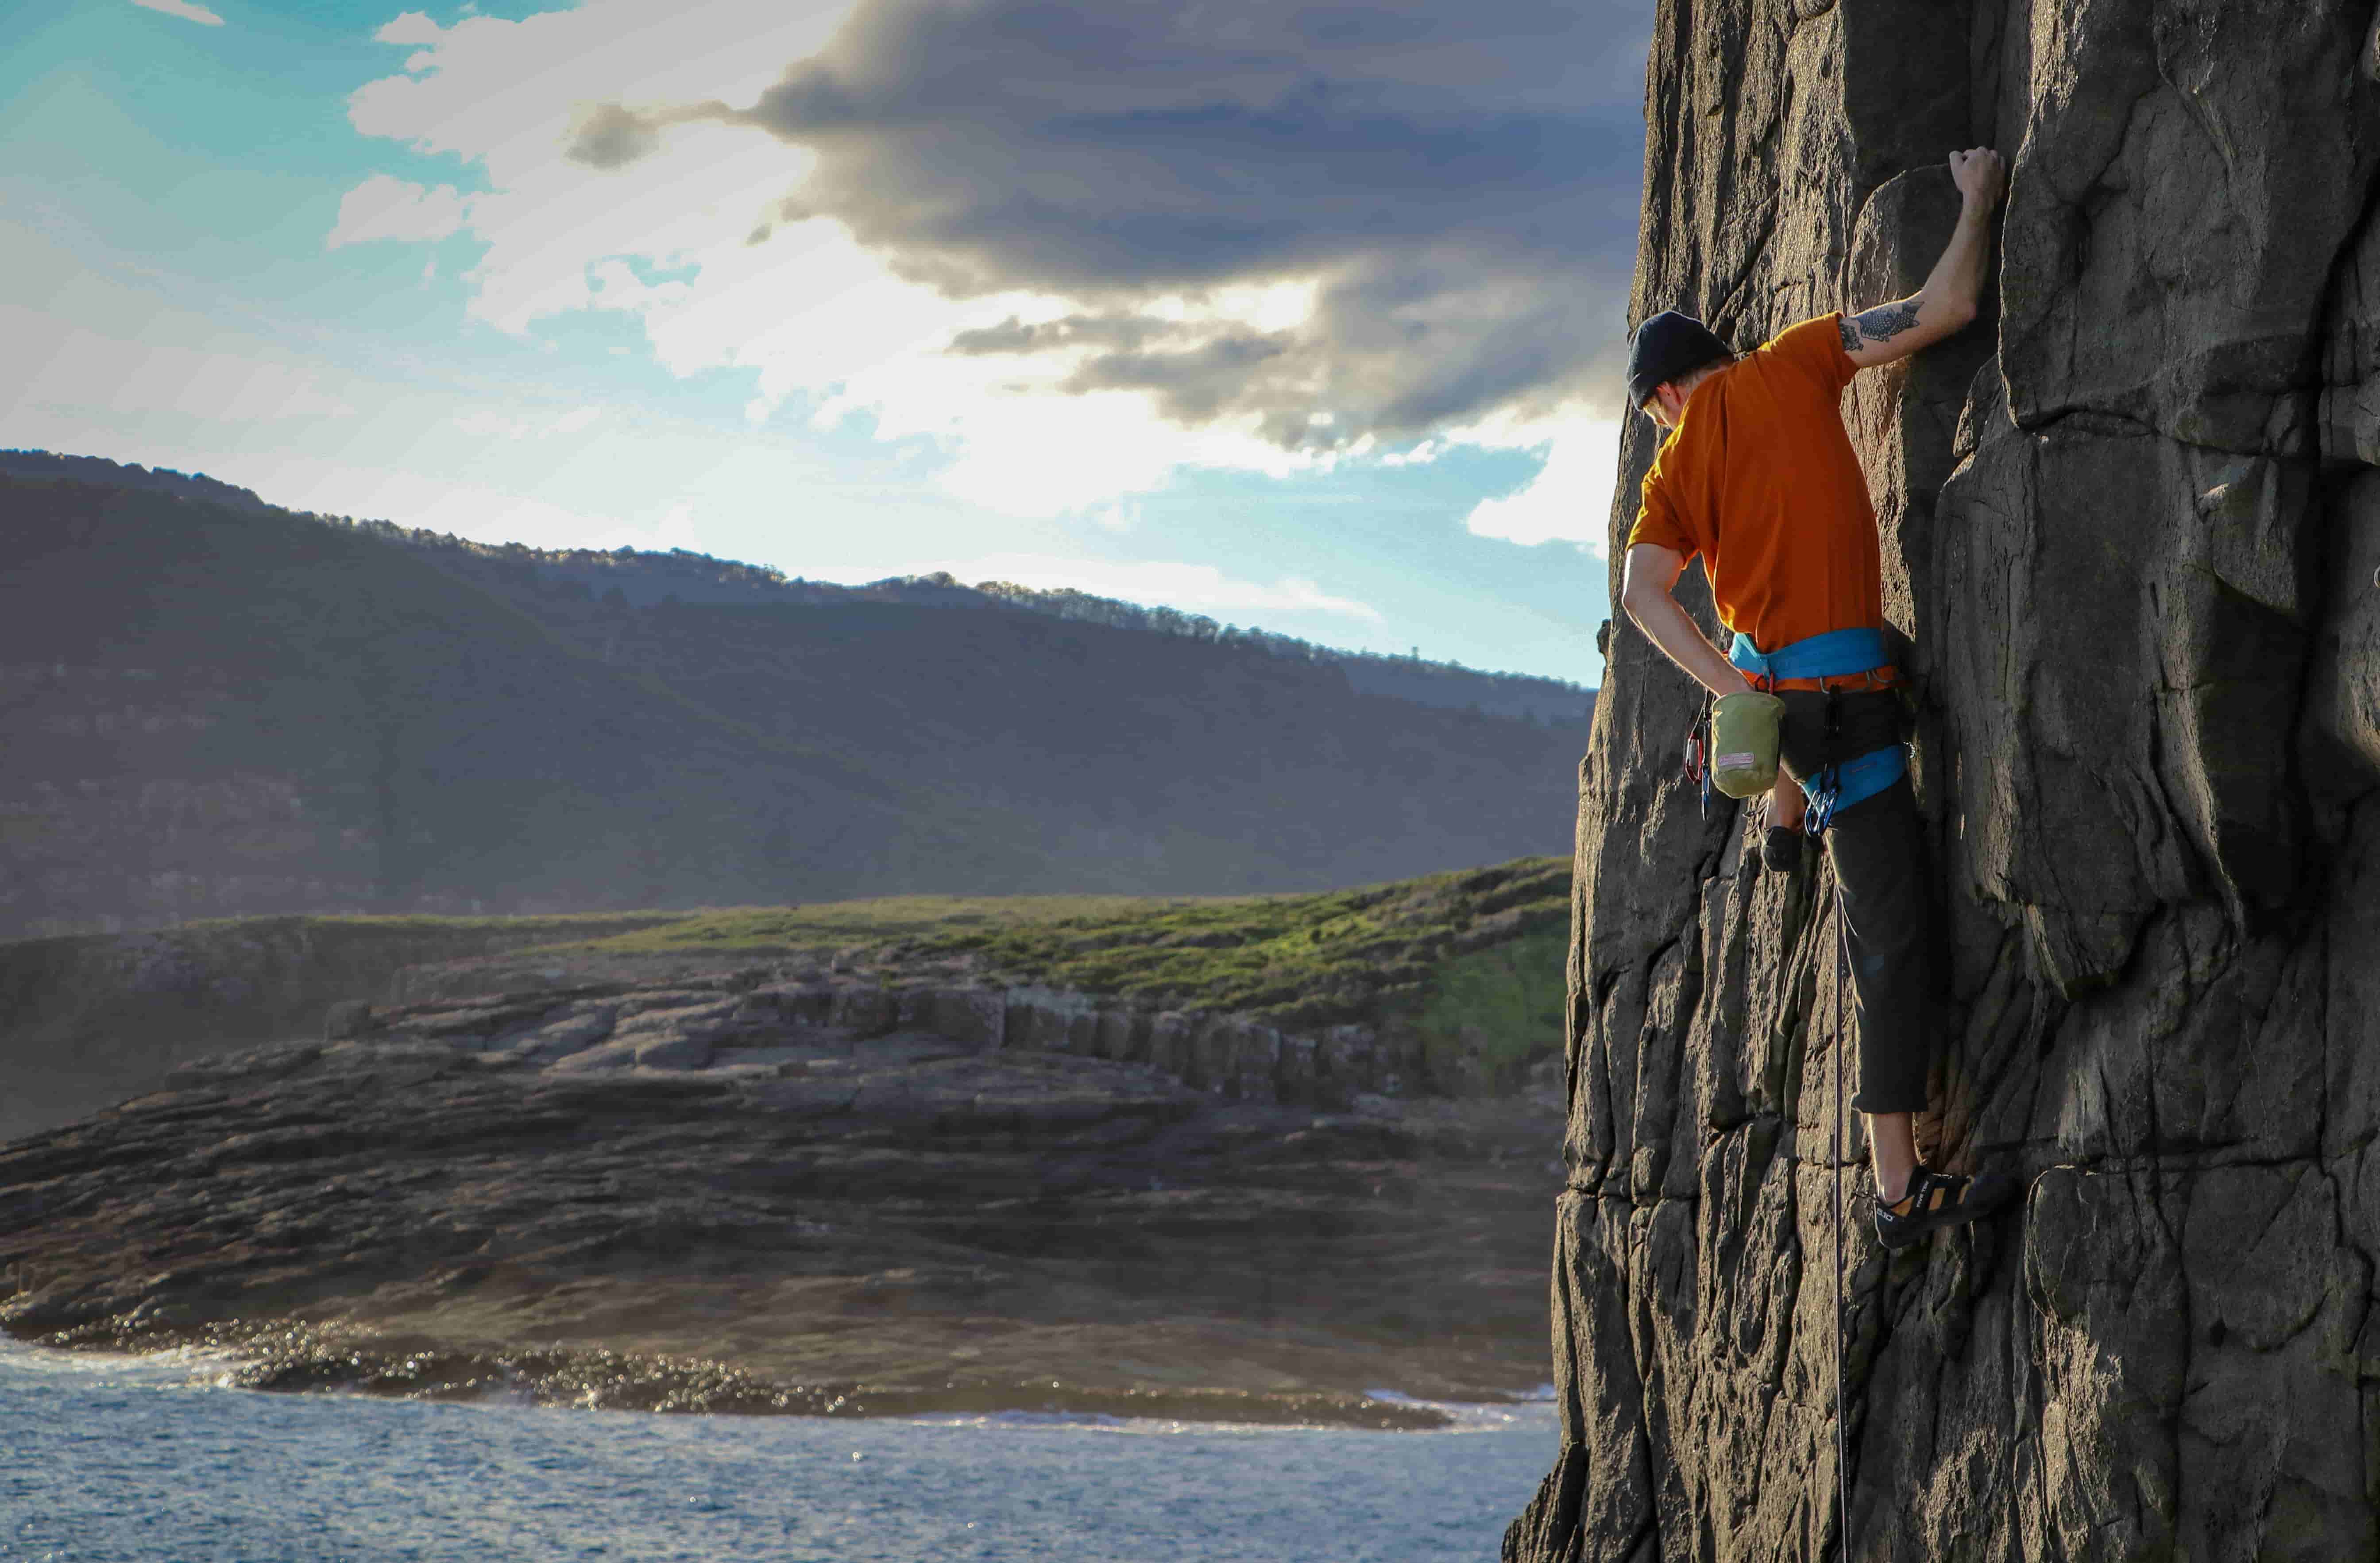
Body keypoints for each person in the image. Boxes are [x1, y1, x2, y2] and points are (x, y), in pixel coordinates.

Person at [1617, 147, 2017, 1251]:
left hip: (1805, 712)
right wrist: (1979, 200)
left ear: (1661, 397)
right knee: (1886, 936)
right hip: (1851, 699)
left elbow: (1642, 593)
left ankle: (1784, 809)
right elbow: (1950, 306)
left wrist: (1729, 685)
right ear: (1717, 359)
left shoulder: (1672, 468)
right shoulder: (1798, 358)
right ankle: (1895, 1187)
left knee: (1882, 941)